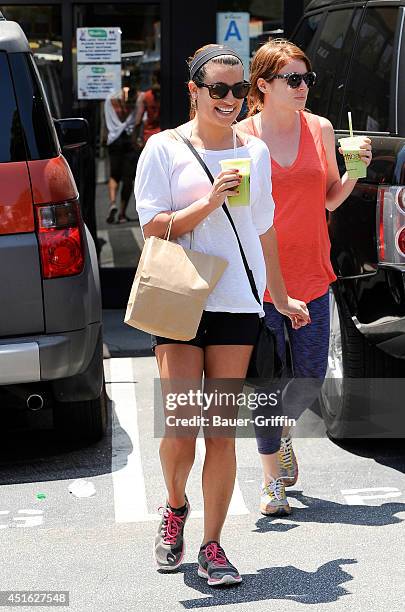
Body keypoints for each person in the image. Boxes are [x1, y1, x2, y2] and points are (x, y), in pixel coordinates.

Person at [134, 44, 310, 586]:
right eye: (218, 90)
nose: (230, 99)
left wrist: (278, 296)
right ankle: (173, 506)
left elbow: (263, 230)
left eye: (238, 90)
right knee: (183, 425)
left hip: (236, 299)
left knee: (220, 433)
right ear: (194, 91)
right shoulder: (162, 149)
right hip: (180, 297)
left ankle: (213, 545)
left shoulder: (252, 153)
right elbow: (152, 228)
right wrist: (210, 201)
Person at [238, 39, 372, 516]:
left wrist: (355, 170)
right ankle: (272, 478)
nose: (302, 88)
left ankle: (281, 432)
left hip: (312, 273)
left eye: (307, 79)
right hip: (260, 282)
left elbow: (331, 198)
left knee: (310, 379)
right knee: (268, 384)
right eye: (292, 80)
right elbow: (237, 215)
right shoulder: (242, 139)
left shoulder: (320, 128)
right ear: (263, 85)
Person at [104, 75, 139, 224]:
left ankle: (112, 203)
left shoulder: (109, 99)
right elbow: (138, 121)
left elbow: (104, 121)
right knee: (128, 179)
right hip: (129, 140)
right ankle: (123, 213)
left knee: (114, 175)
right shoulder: (134, 99)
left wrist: (104, 137)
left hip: (114, 140)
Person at [134, 67, 161, 147]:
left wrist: (135, 138)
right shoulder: (170, 95)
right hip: (167, 135)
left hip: (149, 137)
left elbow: (138, 121)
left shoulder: (145, 96)